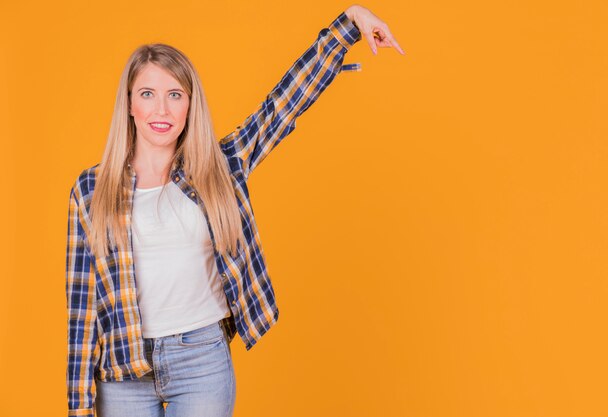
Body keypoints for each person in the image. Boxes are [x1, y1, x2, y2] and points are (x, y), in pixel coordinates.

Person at [65, 4, 404, 417]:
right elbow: (81, 310)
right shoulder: (91, 190)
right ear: (130, 104)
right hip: (123, 370)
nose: (162, 110)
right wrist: (79, 409)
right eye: (148, 95)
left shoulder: (218, 166)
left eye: (176, 95)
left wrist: (349, 24)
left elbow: (280, 107)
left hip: (201, 358)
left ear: (190, 106)